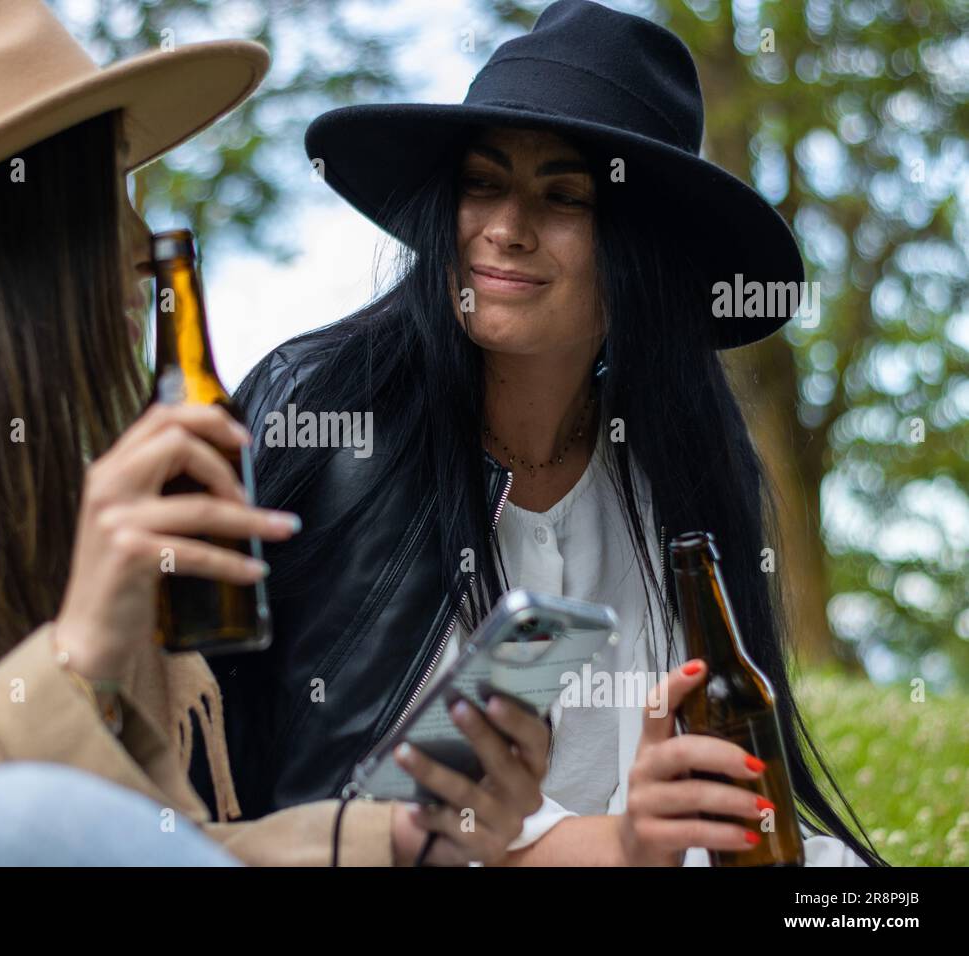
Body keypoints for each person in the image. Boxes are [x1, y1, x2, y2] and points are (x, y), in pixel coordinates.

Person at [0, 0, 550, 867]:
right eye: (109, 194)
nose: (145, 242)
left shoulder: (48, 499)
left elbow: (149, 845)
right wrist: (75, 655)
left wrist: (391, 840)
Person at [204, 0, 883, 866]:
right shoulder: (325, 421)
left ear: (641, 252)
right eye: (482, 183)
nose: (505, 229)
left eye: (562, 196)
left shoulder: (684, 473)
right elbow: (365, 815)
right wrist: (626, 843)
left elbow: (740, 815)